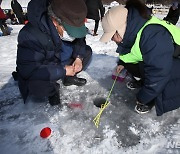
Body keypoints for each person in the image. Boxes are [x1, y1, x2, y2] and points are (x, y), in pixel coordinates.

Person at [100, 0, 180, 116]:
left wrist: (143, 97)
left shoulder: (153, 36)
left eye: (112, 35)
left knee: (161, 80)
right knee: (139, 65)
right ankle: (146, 85)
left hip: (175, 61)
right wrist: (122, 63)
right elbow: (132, 51)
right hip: (167, 58)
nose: (112, 39)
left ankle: (152, 99)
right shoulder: (135, 27)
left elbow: (159, 73)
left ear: (121, 29)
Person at [13, 0, 92, 106]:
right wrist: (62, 70)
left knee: (86, 51)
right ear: (55, 21)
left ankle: (68, 78)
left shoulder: (73, 20)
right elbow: (29, 70)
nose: (73, 35)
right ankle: (53, 91)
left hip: (63, 61)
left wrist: (79, 58)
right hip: (48, 66)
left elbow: (80, 41)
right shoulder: (30, 35)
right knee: (36, 86)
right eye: (70, 31)